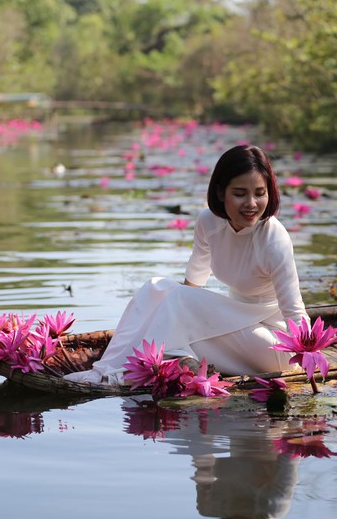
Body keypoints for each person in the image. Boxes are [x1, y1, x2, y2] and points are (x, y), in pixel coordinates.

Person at [65, 145, 308, 384]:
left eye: (259, 193)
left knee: (178, 306)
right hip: (235, 323)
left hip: (275, 345)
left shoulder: (274, 238)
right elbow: (193, 281)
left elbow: (295, 312)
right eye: (240, 193)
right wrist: (164, 316)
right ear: (221, 192)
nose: (251, 203)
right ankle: (107, 369)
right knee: (156, 289)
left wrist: (310, 356)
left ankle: (135, 371)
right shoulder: (208, 222)